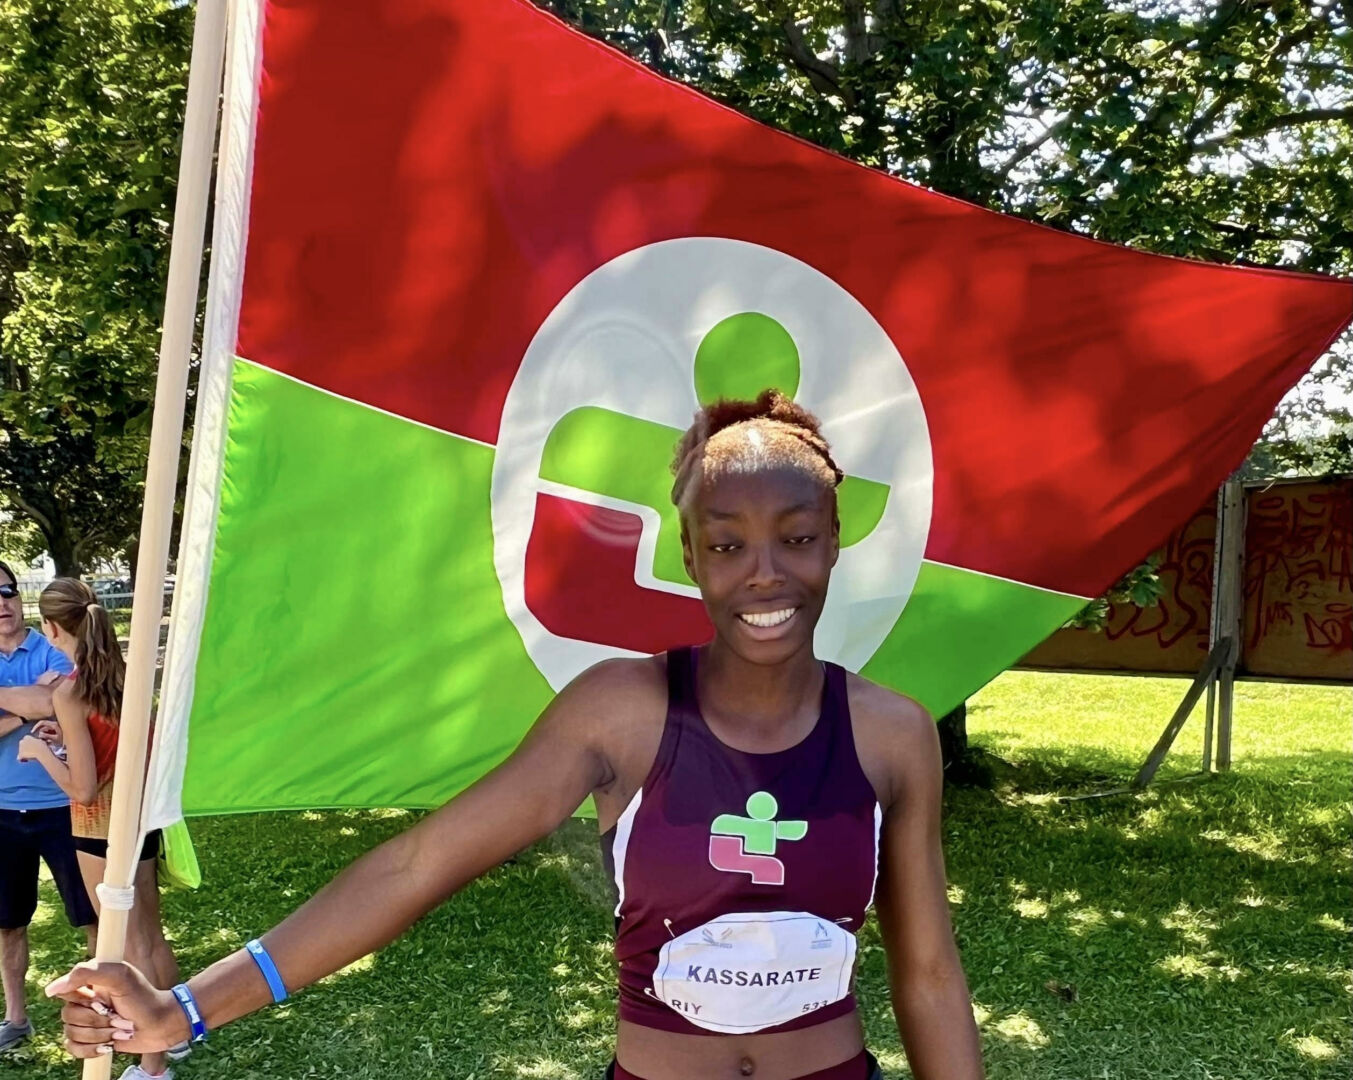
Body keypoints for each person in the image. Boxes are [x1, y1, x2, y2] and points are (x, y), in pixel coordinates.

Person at [48, 391, 986, 1079]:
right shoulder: (622, 709)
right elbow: (416, 866)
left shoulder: (891, 734)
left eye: (797, 537)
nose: (765, 574)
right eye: (729, 544)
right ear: (692, 556)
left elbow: (931, 974)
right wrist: (186, 1010)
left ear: (834, 539)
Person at [19, 578, 181, 1080]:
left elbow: (84, 789)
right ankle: (176, 1038)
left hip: (97, 829)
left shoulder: (70, 691)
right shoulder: (123, 679)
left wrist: (42, 752)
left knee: (128, 946)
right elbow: (118, 750)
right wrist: (64, 738)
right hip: (138, 823)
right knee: (151, 938)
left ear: (49, 627)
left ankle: (152, 1067)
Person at [0, 560, 97, 1056]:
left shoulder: (53, 646)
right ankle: (16, 1019)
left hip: (63, 806)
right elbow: (50, 702)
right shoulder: (49, 664)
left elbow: (65, 700)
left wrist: (15, 706)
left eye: (8, 591)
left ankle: (104, 1010)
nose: (3, 603)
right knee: (8, 922)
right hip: (2, 813)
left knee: (90, 916)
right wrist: (34, 701)